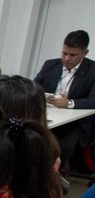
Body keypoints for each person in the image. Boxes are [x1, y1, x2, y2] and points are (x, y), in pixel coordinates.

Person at [34, 29, 95, 177]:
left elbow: (93, 100)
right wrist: (42, 95)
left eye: (72, 55)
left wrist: (69, 103)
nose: (67, 58)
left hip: (75, 123)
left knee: (62, 144)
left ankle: (53, 175)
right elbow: (33, 87)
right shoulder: (50, 65)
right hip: (49, 114)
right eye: (64, 53)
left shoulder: (92, 70)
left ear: (85, 53)